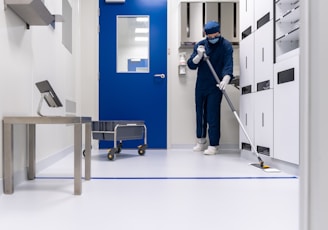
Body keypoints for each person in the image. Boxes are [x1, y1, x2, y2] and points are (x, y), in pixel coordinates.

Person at [187, 21, 234, 155]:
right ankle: (201, 141)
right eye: (210, 37)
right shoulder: (200, 45)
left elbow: (228, 64)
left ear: (219, 32)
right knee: (200, 113)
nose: (213, 39)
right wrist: (198, 56)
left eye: (215, 36)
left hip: (216, 85)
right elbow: (191, 65)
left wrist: (226, 78)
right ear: (206, 35)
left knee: (212, 114)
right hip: (201, 84)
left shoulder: (226, 46)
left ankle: (214, 145)